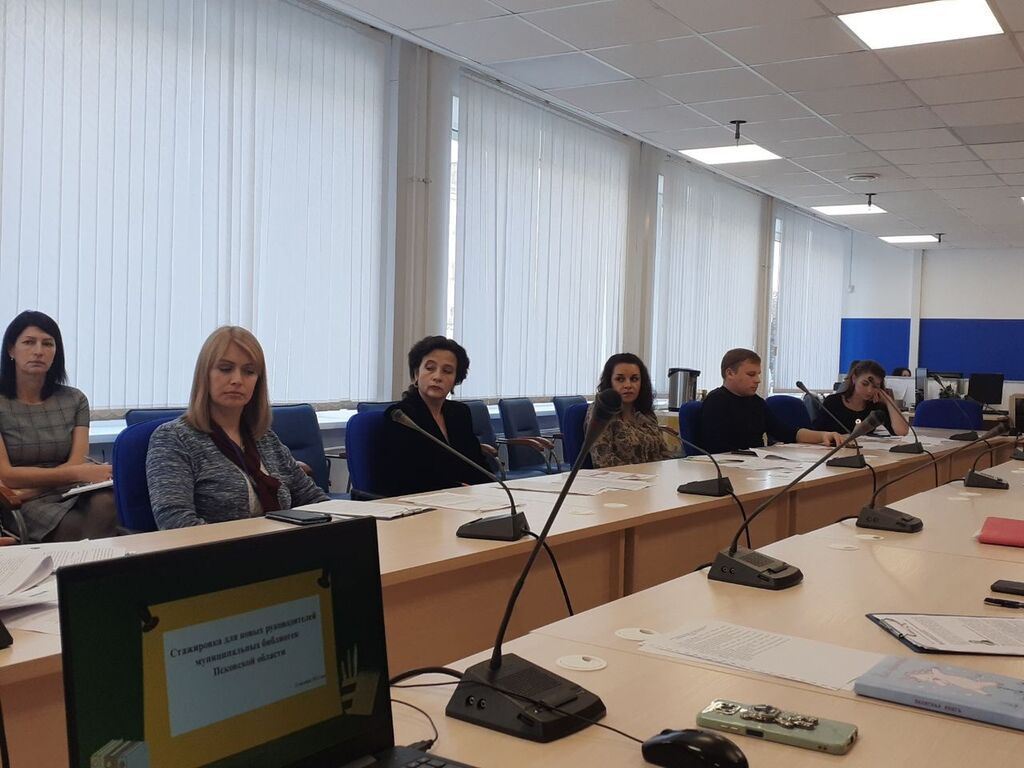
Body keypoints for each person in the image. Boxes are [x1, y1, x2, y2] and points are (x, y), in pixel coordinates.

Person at [146, 326, 328, 528]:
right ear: (204, 375)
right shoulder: (173, 438)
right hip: (219, 547)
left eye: (249, 372)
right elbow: (175, 523)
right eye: (225, 369)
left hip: (280, 542)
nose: (237, 380)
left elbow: (315, 500)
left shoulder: (265, 439)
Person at [0, 311, 117, 542]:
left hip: (65, 490)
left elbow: (77, 463)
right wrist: (77, 474)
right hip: (22, 504)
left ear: (56, 352)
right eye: (29, 342)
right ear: (11, 350)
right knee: (77, 527)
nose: (38, 351)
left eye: (47, 344)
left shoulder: (75, 399)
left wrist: (33, 489)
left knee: (108, 503)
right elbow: (7, 475)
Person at [382, 336, 489, 497]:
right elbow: (406, 476)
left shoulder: (460, 413)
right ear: (416, 374)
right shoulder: (401, 416)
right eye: (430, 368)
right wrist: (457, 488)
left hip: (464, 500)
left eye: (447, 371)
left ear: (455, 380)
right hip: (420, 502)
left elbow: (476, 463)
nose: (437, 377)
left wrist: (493, 489)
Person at [700, 348, 843, 454]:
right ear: (730, 373)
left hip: (754, 467)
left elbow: (786, 432)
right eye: (751, 374)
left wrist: (823, 435)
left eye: (758, 374)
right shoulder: (716, 401)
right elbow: (716, 448)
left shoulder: (756, 402)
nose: (758, 380)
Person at [588, 353, 674, 468]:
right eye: (620, 379)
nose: (628, 385)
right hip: (621, 478)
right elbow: (603, 461)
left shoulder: (645, 413)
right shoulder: (600, 411)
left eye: (634, 379)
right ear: (610, 382)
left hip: (653, 476)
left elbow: (663, 453)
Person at [813, 360, 908, 436]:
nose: (870, 390)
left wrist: (888, 401)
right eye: (865, 384)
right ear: (854, 379)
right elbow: (816, 432)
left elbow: (902, 432)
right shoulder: (833, 402)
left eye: (875, 386)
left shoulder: (876, 407)